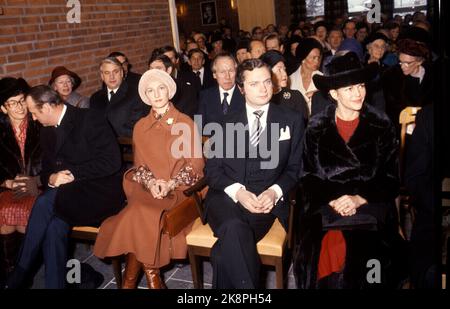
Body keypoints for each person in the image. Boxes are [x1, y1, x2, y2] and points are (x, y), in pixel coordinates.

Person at [293, 52, 407, 289]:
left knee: (363, 250)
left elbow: (390, 179)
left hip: (371, 202)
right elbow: (307, 177)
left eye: (361, 85)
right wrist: (335, 199)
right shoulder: (317, 126)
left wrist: (358, 198)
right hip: (328, 203)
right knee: (327, 245)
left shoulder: (381, 123)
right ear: (333, 94)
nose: (358, 93)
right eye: (349, 88)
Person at [94, 70, 204, 289]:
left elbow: (196, 165)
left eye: (161, 88)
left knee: (137, 214)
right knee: (141, 211)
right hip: (148, 189)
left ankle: (130, 281)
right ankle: (152, 279)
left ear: (169, 90)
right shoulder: (140, 126)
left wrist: (171, 183)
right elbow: (140, 166)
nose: (156, 94)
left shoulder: (185, 123)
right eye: (150, 90)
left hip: (180, 189)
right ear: (145, 95)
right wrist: (152, 183)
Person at [6, 85, 125, 289]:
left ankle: (20, 273)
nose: (33, 118)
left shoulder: (90, 118)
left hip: (100, 193)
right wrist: (52, 176)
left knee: (45, 201)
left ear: (48, 108)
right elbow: (45, 172)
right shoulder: (46, 133)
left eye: (34, 113)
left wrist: (72, 174)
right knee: (54, 227)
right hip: (69, 198)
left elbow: (112, 161)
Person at [204, 59, 304, 288]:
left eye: (267, 81)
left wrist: (274, 192)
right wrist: (239, 193)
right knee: (234, 227)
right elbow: (212, 170)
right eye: (254, 84)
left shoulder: (291, 119)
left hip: (263, 203)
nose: (263, 89)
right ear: (241, 89)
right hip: (225, 198)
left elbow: (296, 168)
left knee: (222, 253)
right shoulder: (225, 122)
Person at [0, 78, 41, 286]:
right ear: (3, 108)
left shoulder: (39, 124)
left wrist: (35, 179)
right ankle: (10, 272)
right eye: (12, 103)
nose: (20, 106)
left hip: (38, 186)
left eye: (22, 100)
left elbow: (54, 159)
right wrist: (6, 183)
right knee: (4, 213)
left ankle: (24, 272)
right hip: (8, 188)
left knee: (26, 214)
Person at [90, 57, 149, 138]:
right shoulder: (95, 98)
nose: (112, 77)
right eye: (107, 73)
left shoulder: (136, 94)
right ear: (102, 76)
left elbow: (137, 128)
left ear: (121, 73)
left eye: (115, 72)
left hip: (128, 146)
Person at [197, 53, 245, 131]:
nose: (227, 77)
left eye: (231, 71)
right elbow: (198, 127)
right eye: (222, 72)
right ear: (214, 75)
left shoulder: (246, 94)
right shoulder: (205, 96)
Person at [260, 50, 308, 122]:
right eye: (279, 70)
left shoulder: (295, 97)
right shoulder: (261, 98)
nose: (285, 74)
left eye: (284, 69)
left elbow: (303, 125)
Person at [289, 37, 323, 115]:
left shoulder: (322, 78)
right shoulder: (290, 79)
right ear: (303, 59)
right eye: (313, 58)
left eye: (318, 58)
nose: (317, 61)